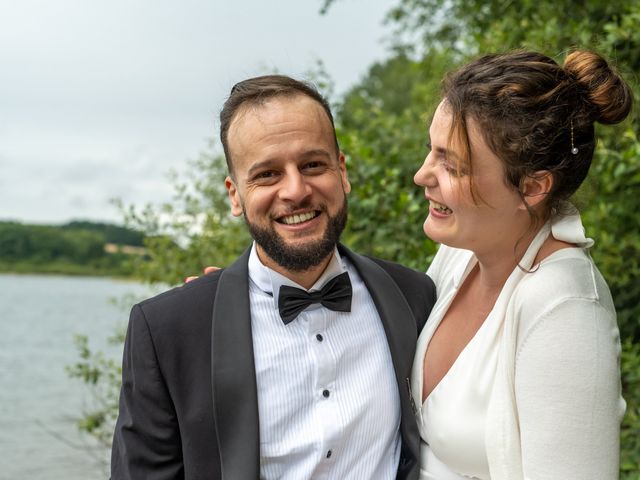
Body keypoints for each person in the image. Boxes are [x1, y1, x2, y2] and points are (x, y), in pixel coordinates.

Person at [110, 75, 437, 479]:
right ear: (235, 194)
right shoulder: (168, 331)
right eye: (267, 174)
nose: (296, 190)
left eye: (312, 164)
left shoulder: (414, 296)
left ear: (342, 171)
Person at [410, 50, 632, 479]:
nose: (422, 175)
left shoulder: (566, 310)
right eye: (430, 150)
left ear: (532, 187)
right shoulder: (459, 255)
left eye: (451, 165)